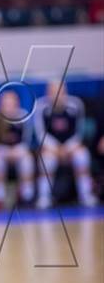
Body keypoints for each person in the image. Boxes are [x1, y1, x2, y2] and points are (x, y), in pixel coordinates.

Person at [34, 81, 97, 209]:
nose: (56, 95)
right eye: (52, 92)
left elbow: (79, 131)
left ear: (65, 92)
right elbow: (40, 133)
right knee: (46, 159)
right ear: (48, 93)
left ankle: (86, 195)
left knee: (82, 155)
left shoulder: (76, 104)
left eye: (60, 92)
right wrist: (56, 149)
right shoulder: (41, 106)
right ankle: (44, 197)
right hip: (51, 147)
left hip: (70, 147)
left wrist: (68, 148)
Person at [0, 89, 35, 208]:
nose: (8, 107)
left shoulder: (24, 116)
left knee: (27, 160)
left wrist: (17, 151)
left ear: (17, 104)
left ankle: (27, 196)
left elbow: (27, 140)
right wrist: (4, 151)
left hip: (19, 150)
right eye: (5, 104)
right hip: (1, 151)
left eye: (11, 103)